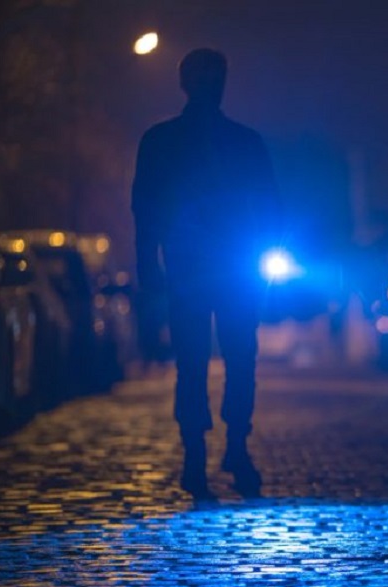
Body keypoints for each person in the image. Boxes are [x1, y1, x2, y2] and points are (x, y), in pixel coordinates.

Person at [132, 48, 282, 498]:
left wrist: (148, 262)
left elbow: (146, 210)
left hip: (197, 268)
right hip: (227, 267)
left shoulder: (162, 140)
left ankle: (201, 453)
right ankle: (227, 448)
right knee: (234, 359)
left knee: (197, 361)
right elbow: (271, 209)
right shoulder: (244, 141)